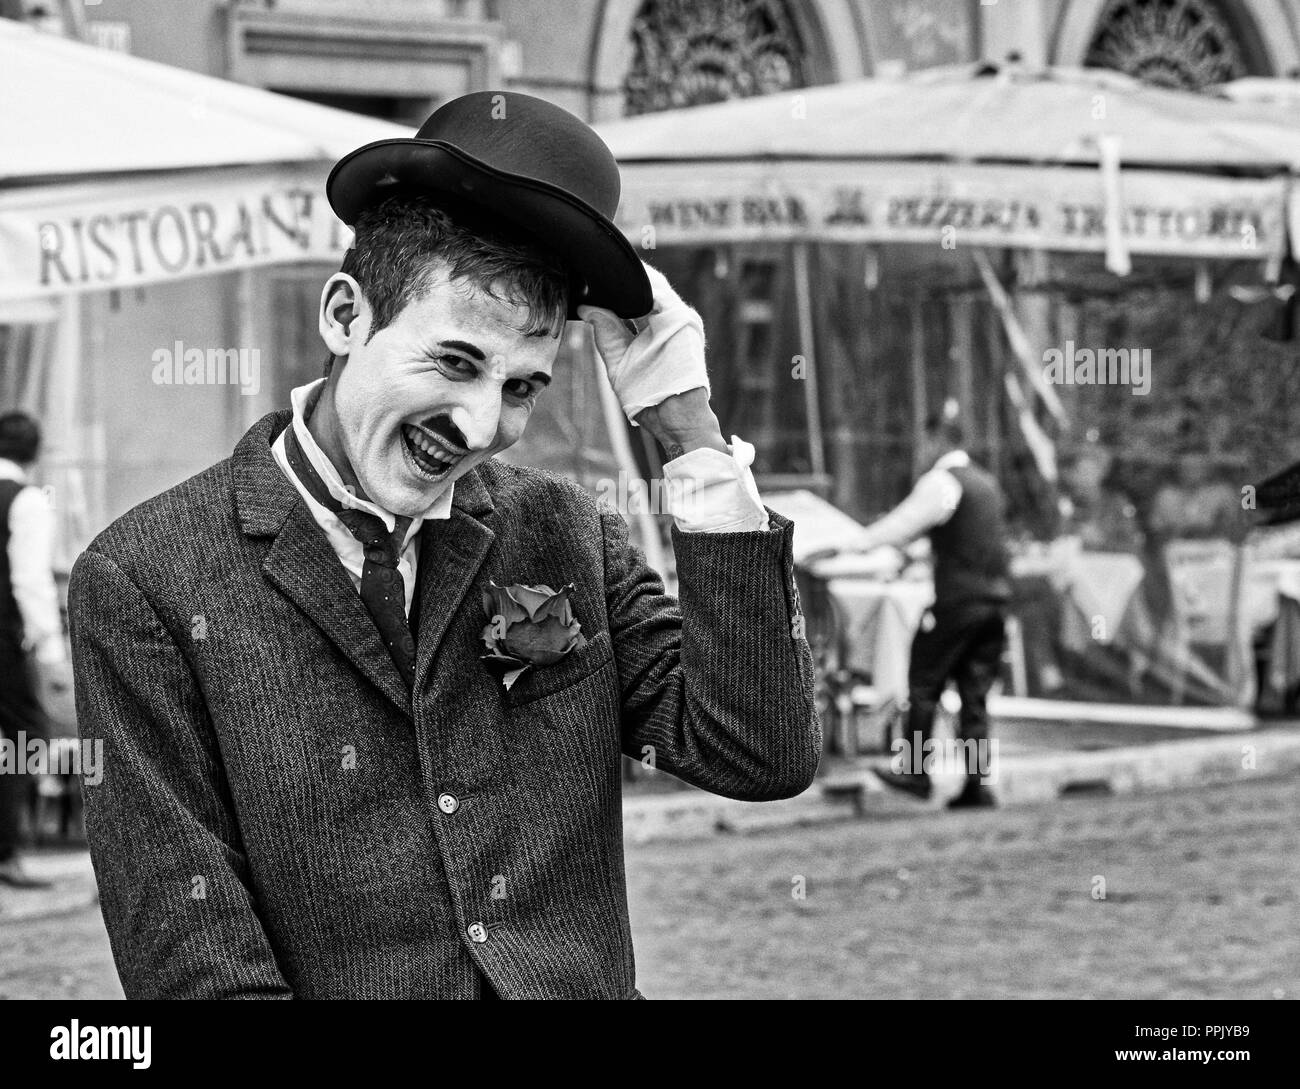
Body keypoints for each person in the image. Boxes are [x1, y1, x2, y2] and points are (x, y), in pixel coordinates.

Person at [68, 91, 819, 999]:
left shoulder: (567, 530)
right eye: (456, 362)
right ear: (346, 316)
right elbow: (196, 965)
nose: (479, 425)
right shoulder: (144, 580)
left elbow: (758, 751)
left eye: (521, 387)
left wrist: (690, 432)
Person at [857, 414, 1010, 808]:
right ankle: (977, 784)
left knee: (924, 684)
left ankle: (915, 772)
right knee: (974, 696)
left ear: (939, 440)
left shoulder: (943, 481)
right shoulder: (987, 483)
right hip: (993, 604)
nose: (921, 451)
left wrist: (853, 544)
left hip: (957, 604)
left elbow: (901, 526)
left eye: (925, 442)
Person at [0, 411, 65, 888]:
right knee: (29, 735)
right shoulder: (26, 500)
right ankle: (5, 852)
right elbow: (29, 580)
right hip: (5, 639)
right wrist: (49, 649)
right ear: (35, 452)